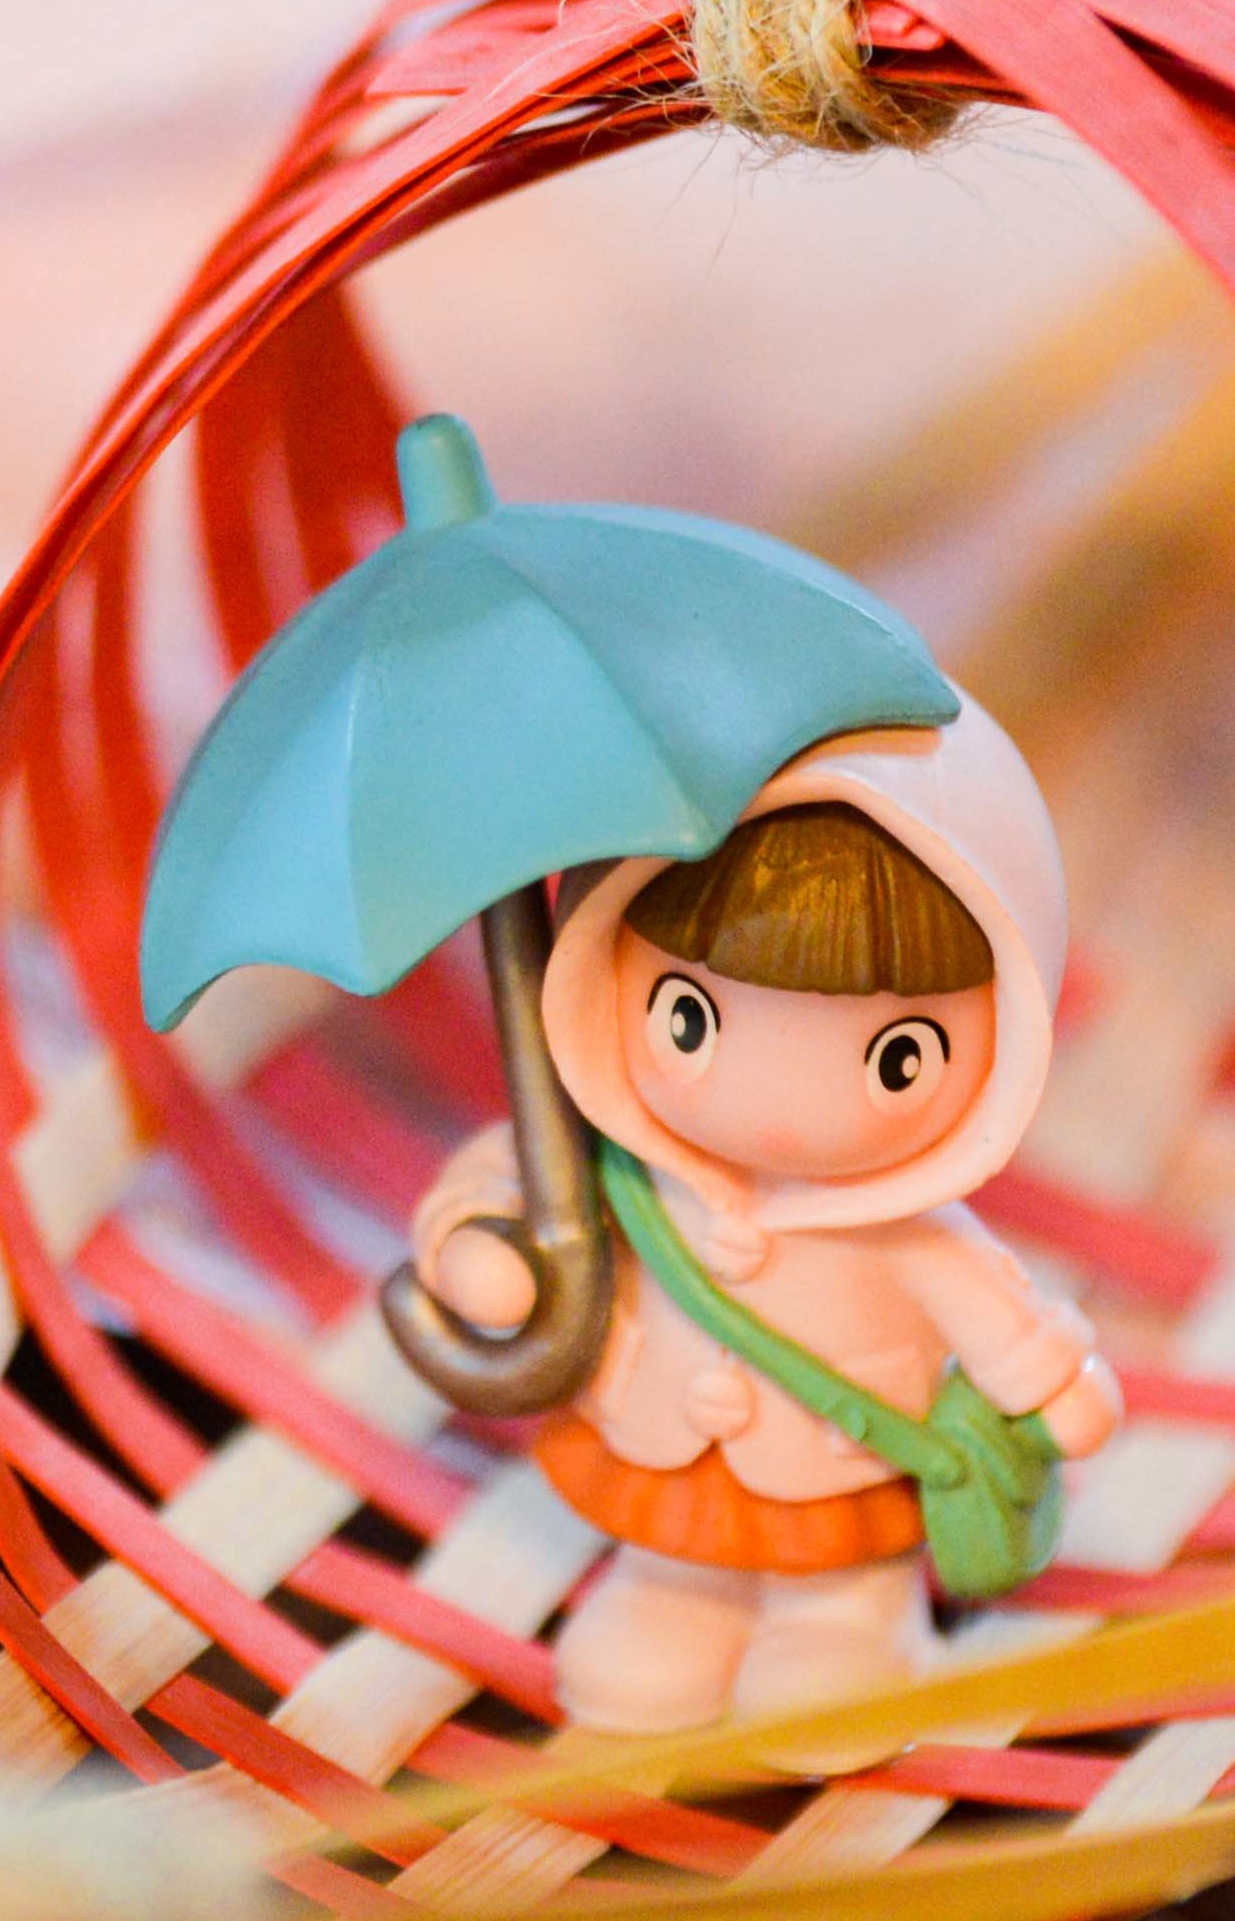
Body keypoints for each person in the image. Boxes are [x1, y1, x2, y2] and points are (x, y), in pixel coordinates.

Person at [407, 707, 1119, 1736]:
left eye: (897, 1058)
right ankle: (674, 1602)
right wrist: (481, 1242)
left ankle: (854, 1625)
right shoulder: (618, 1164)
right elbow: (503, 1175)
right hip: (664, 1438)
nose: (779, 1108)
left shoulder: (906, 1234)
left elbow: (998, 1314)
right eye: (688, 1018)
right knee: (663, 1595)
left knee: (832, 1611)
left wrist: (1052, 1383)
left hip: (841, 1463)